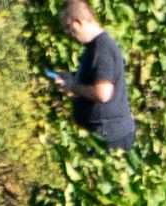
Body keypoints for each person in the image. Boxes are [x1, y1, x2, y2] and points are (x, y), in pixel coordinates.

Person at [52, 0, 135, 149]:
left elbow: (103, 93)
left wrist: (73, 87)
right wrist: (71, 77)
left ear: (78, 22)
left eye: (68, 27)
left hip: (110, 137)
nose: (67, 33)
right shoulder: (94, 47)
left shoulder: (101, 49)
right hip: (104, 134)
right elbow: (95, 79)